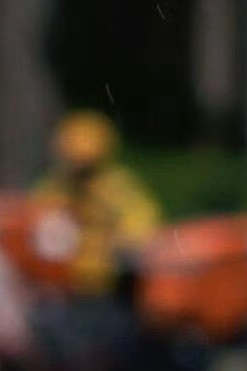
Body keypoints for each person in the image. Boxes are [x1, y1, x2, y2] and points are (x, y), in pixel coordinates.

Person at [30, 109, 162, 300]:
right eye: (76, 163)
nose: (81, 172)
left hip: (109, 287)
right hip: (61, 286)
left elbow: (140, 224)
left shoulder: (116, 187)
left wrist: (122, 243)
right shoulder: (54, 188)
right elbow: (35, 223)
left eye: (88, 165)